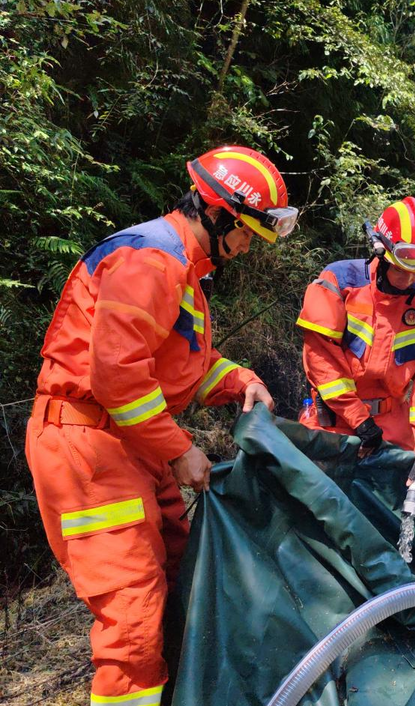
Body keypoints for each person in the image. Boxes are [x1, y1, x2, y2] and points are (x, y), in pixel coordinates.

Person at [24, 145, 297, 706]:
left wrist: (241, 381)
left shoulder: (182, 272)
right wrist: (178, 450)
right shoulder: (151, 261)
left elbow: (184, 368)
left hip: (127, 445)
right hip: (89, 450)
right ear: (217, 213)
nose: (247, 247)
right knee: (134, 614)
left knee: (180, 577)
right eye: (246, 232)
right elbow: (117, 374)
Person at [296, 196, 415, 496]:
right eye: (402, 269)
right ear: (381, 250)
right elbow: (321, 363)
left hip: (393, 428)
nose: (409, 279)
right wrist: (360, 422)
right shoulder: (338, 283)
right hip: (333, 424)